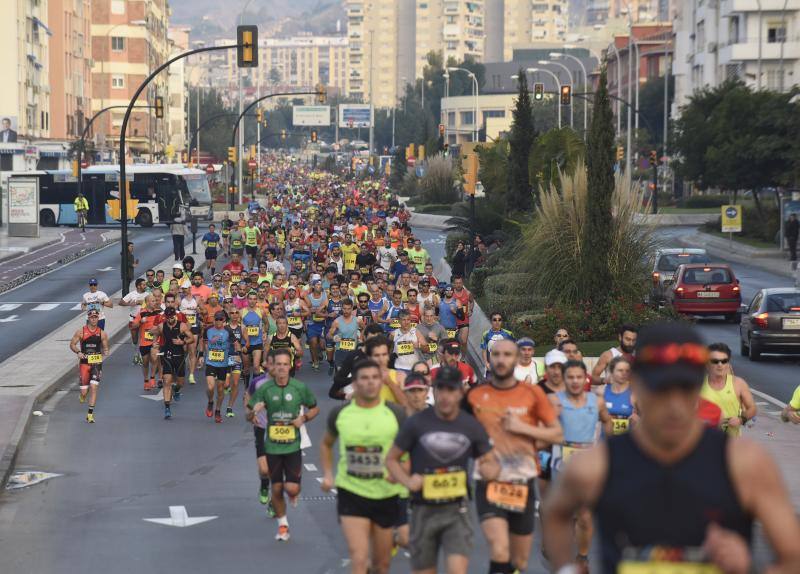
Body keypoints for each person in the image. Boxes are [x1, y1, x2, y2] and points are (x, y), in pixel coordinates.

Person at [543, 322, 800, 574]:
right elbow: (555, 513)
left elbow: (793, 558)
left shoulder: (744, 463)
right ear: (638, 385)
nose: (675, 405)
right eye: (662, 389)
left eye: (686, 388)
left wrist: (748, 568)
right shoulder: (597, 465)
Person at [386, 366, 500, 574]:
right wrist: (408, 481)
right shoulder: (416, 423)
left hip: (457, 511)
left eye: (451, 390)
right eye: (441, 389)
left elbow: (489, 461)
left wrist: (489, 471)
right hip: (423, 510)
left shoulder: (471, 425)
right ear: (434, 390)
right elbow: (391, 459)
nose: (446, 396)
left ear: (460, 392)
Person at [464, 339, 563, 574]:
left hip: (522, 482)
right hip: (489, 481)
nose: (501, 359)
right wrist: (479, 455)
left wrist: (523, 429)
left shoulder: (532, 393)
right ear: (490, 358)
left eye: (507, 354)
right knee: (499, 550)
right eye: (496, 354)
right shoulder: (475, 395)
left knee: (518, 562)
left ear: (516, 358)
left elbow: (557, 434)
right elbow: (459, 433)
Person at [320, 359, 406, 574]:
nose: (370, 383)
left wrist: (401, 474)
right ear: (355, 384)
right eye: (364, 378)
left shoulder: (396, 414)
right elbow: (326, 444)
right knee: (359, 559)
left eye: (375, 378)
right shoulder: (340, 414)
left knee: (381, 564)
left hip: (386, 494)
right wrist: (329, 475)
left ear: (381, 382)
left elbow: (410, 448)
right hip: (352, 492)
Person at [246, 348, 319, 541]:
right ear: (272, 365)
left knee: (292, 489)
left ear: (290, 366)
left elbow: (314, 407)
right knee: (273, 483)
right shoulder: (262, 387)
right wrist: (254, 412)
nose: (281, 368)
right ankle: (282, 524)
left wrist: (303, 418)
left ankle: (291, 491)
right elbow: (247, 411)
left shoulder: (299, 387)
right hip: (270, 441)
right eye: (278, 364)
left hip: (293, 443)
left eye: (285, 364)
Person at [548, 360, 612, 567]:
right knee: (564, 513)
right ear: (563, 379)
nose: (575, 381)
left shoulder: (597, 401)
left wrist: (607, 448)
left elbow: (607, 421)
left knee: (584, 516)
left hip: (586, 463)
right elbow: (543, 426)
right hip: (561, 461)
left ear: (585, 378)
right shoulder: (554, 400)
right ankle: (563, 561)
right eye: (570, 377)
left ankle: (582, 557)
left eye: (578, 377)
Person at [701, 342, 757, 437]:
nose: (720, 365)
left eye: (724, 361)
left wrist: (740, 420)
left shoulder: (738, 383)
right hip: (703, 442)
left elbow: (752, 408)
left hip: (731, 442)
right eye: (715, 361)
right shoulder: (698, 385)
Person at [153, 306, 195, 419]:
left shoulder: (182, 325)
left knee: (180, 383)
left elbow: (192, 338)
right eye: (167, 317)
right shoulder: (162, 326)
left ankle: (176, 390)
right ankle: (167, 408)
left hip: (179, 356)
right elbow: (155, 333)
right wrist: (155, 343)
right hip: (166, 355)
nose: (169, 320)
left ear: (175, 316)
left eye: (171, 317)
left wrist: (182, 342)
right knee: (167, 381)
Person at [69, 310, 109, 423]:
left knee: (94, 387)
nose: (94, 319)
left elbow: (106, 346)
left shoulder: (102, 333)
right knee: (84, 392)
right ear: (88, 318)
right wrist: (78, 352)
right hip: (84, 363)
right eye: (92, 317)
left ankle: (90, 414)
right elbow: (72, 344)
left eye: (96, 317)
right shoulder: (81, 332)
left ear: (98, 318)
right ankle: (82, 396)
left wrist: (106, 351)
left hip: (96, 362)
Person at [198, 311, 239, 423]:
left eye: (221, 319)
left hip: (223, 364)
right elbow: (203, 342)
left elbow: (236, 343)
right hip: (211, 362)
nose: (218, 321)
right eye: (216, 319)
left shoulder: (228, 331)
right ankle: (211, 402)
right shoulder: (208, 330)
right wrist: (201, 355)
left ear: (224, 321)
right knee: (211, 387)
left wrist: (237, 354)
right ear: (214, 320)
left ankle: (217, 411)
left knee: (220, 390)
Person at [604, 355, 637, 435]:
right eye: (620, 370)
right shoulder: (601, 392)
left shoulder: (635, 393)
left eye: (627, 371)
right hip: (605, 441)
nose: (624, 373)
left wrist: (638, 419)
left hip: (626, 441)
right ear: (612, 372)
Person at [481, 312, 515, 377]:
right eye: (494, 320)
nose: (497, 322)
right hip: (491, 368)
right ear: (491, 321)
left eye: (499, 320)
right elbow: (484, 350)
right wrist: (486, 363)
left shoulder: (509, 334)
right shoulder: (486, 334)